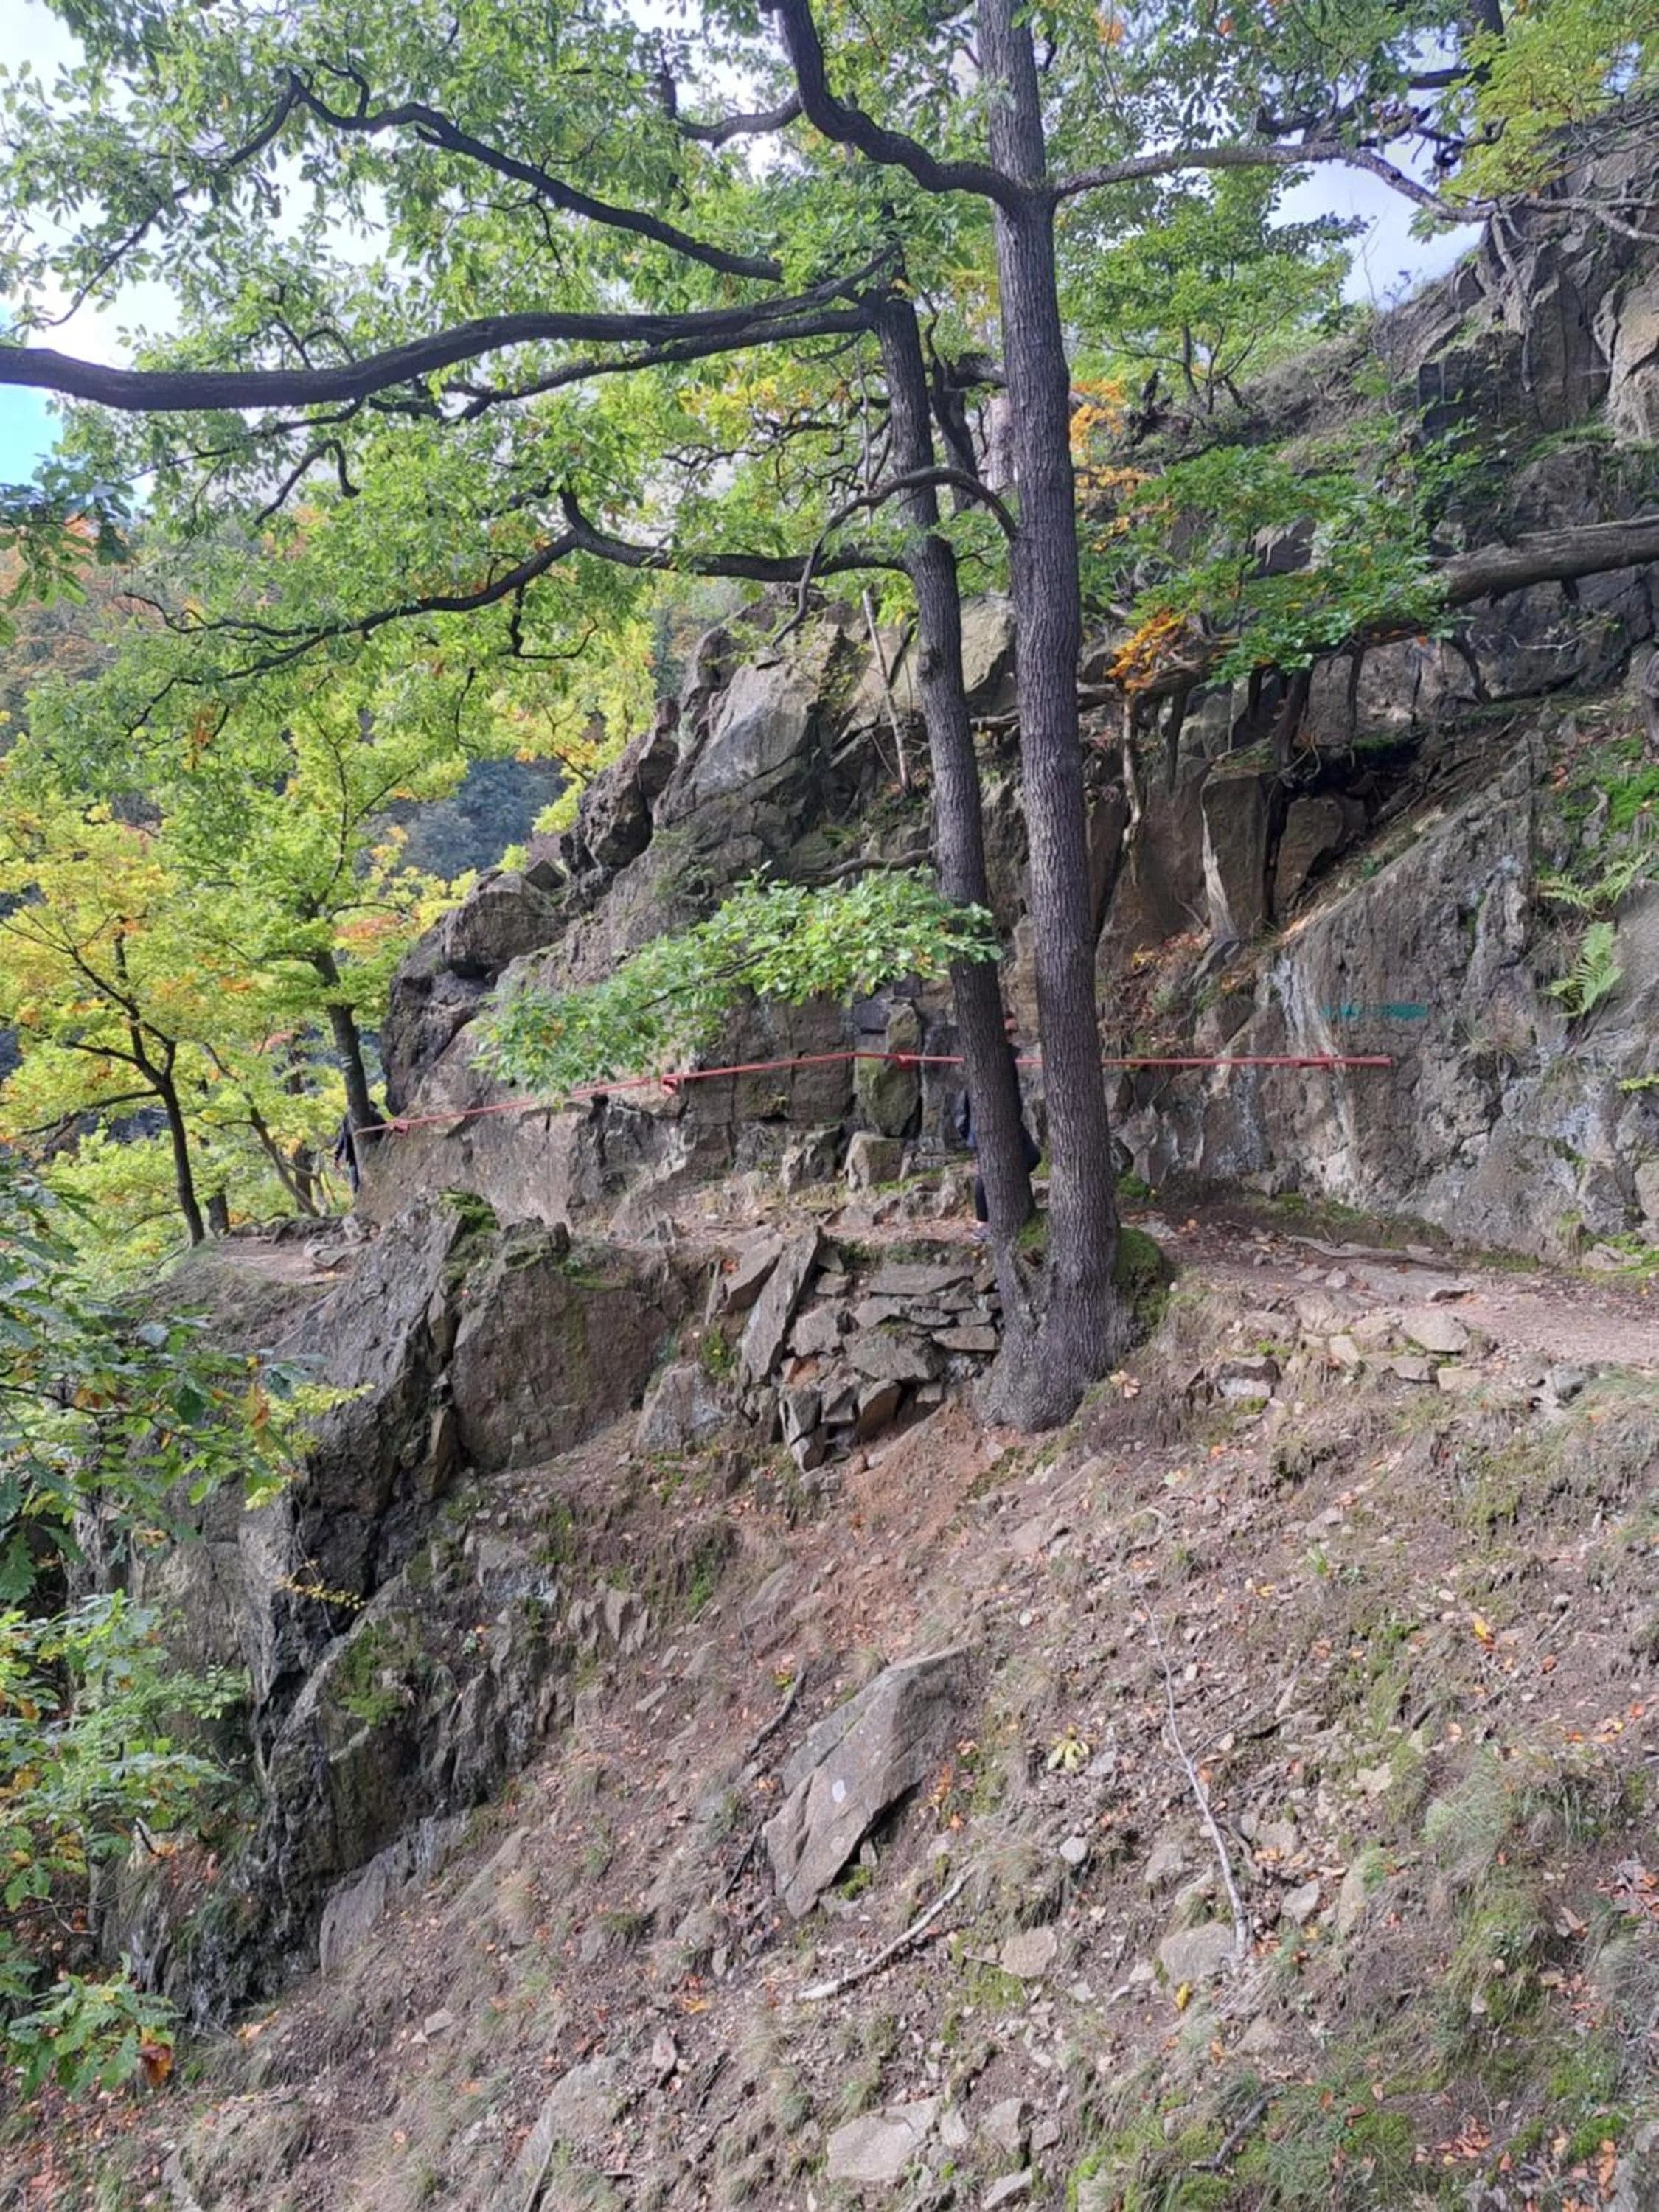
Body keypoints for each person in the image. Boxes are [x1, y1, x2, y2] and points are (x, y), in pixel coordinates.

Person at [953, 1017, 1041, 1229]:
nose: (1012, 1037)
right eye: (1008, 1032)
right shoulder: (987, 1056)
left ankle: (998, 1208)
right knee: (988, 1170)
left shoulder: (1003, 1055)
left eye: (1014, 1032)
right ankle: (982, 1222)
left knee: (1029, 1157)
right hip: (987, 1122)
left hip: (1007, 1120)